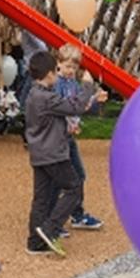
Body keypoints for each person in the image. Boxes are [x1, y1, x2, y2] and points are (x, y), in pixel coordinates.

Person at [24, 50, 97, 257]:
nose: (57, 74)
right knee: (74, 187)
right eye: (55, 71)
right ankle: (51, 229)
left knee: (42, 198)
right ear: (48, 74)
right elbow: (75, 107)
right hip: (53, 154)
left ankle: (35, 243)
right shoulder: (45, 97)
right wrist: (87, 85)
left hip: (39, 154)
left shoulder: (33, 94)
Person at [54, 45, 107, 233]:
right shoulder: (56, 84)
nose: (70, 71)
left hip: (69, 137)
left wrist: (94, 99)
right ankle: (55, 220)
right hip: (58, 139)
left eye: (74, 68)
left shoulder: (72, 83)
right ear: (58, 64)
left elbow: (80, 105)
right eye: (67, 66)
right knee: (61, 181)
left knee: (79, 175)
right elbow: (66, 107)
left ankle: (77, 214)